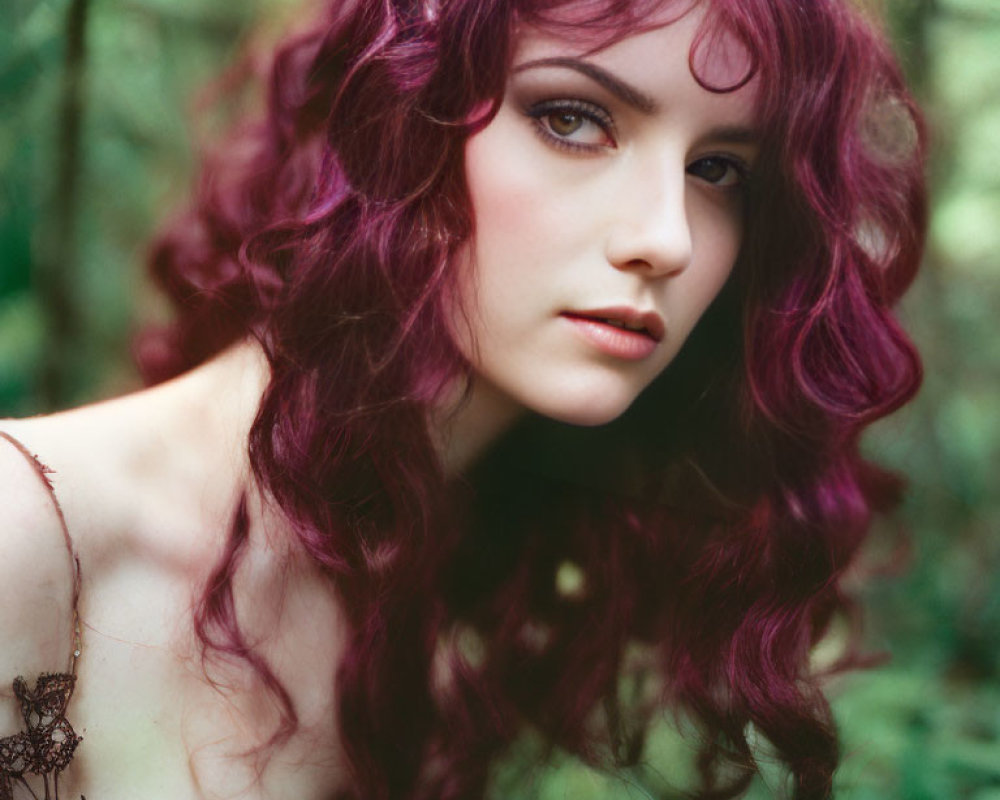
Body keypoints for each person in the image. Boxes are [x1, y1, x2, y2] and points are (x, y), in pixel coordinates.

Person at [0, 0, 926, 797]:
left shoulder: (457, 608)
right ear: (399, 115)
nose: (667, 238)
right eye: (574, 118)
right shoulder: (28, 534)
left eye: (719, 168)